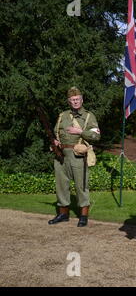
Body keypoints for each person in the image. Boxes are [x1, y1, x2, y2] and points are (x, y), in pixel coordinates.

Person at [48, 87, 100, 227]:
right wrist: (55, 141)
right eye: (72, 100)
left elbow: (96, 136)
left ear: (82, 100)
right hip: (61, 155)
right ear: (68, 101)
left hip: (78, 155)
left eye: (77, 99)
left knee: (81, 186)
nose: (75, 102)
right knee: (61, 185)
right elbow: (55, 132)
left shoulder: (89, 116)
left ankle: (83, 216)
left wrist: (81, 131)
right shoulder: (62, 116)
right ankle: (63, 213)